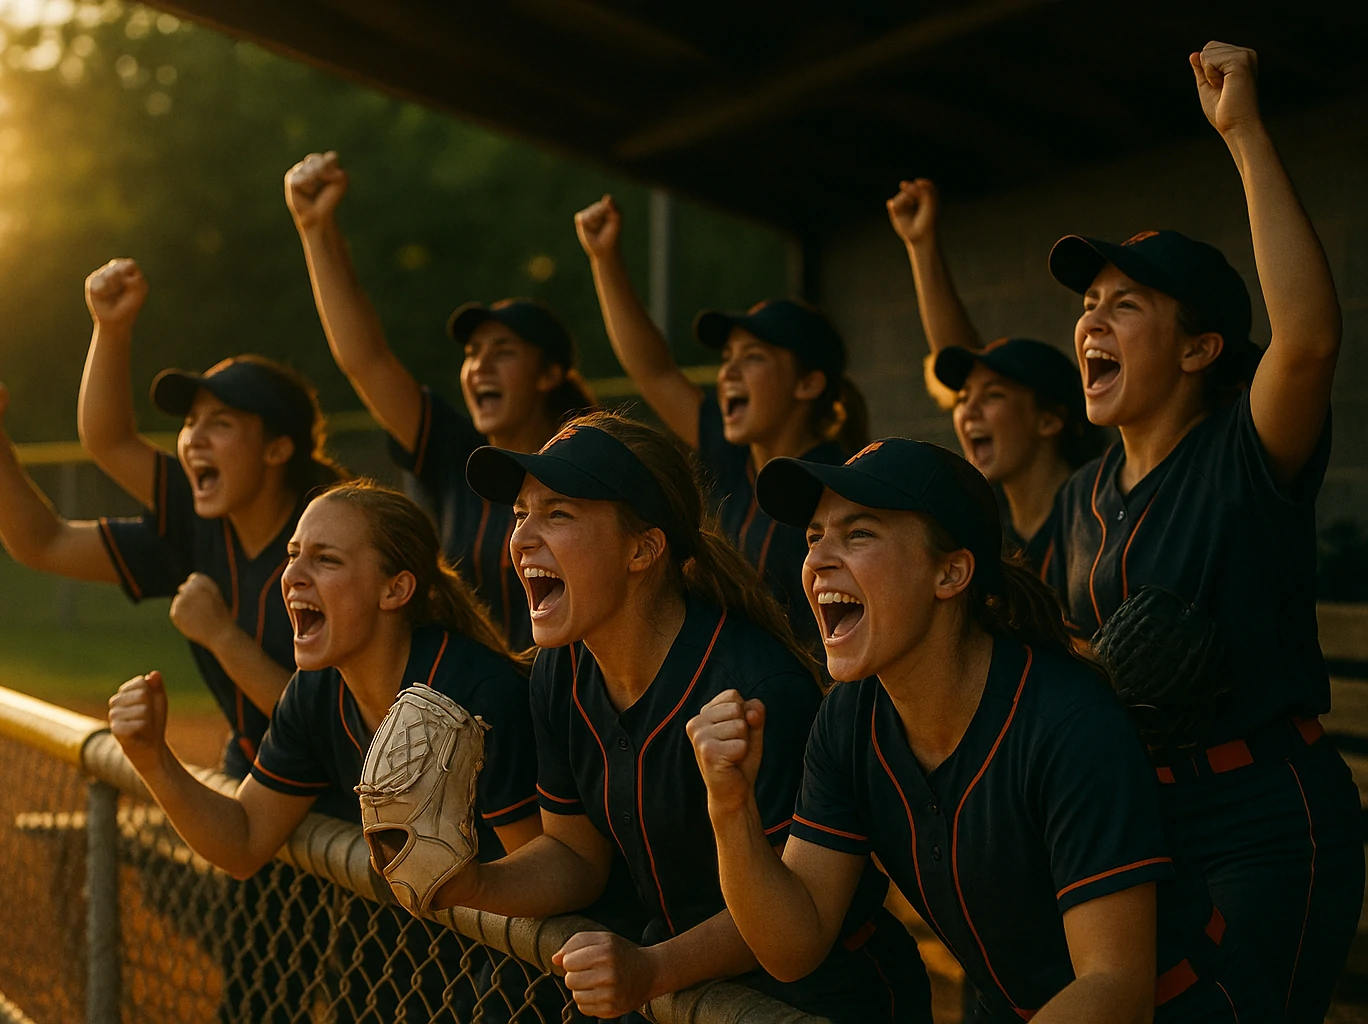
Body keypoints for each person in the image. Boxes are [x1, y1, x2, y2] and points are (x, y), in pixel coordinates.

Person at [692, 438, 1255, 1023]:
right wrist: (730, 810)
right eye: (814, 536)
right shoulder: (847, 720)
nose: (817, 561)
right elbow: (793, 944)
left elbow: (1115, 985)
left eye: (859, 534)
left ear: (951, 571)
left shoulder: (1069, 722)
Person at [1043, 42, 1363, 1023]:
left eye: (1125, 304)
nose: (1092, 319)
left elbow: (1306, 338)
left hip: (1264, 817)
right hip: (1142, 817)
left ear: (1199, 348)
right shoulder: (1081, 495)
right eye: (1087, 304)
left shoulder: (1240, 450)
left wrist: (1245, 134)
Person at [434, 412, 929, 1022]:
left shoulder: (754, 687)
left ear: (643, 548)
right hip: (680, 987)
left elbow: (787, 916)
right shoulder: (559, 670)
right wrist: (467, 883)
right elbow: (575, 854)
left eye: (558, 513)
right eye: (520, 514)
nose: (523, 538)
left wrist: (653, 969)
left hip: (820, 997)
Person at [107, 479, 542, 1019]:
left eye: (326, 559)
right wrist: (153, 758)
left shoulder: (477, 693)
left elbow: (544, 876)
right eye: (293, 555)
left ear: (395, 590)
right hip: (393, 957)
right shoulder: (318, 690)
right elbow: (244, 839)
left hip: (505, 972)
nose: (292, 575)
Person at [0, 259, 345, 779]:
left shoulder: (333, 540)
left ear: (277, 449)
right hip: (254, 779)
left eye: (220, 423)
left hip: (346, 800)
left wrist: (222, 636)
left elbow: (328, 727)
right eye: (191, 422)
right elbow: (43, 541)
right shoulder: (198, 526)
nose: (195, 437)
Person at [286, 151, 595, 651]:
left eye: (504, 351)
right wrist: (315, 229)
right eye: (472, 353)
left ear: (550, 374)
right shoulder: (458, 452)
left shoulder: (588, 469)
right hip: (470, 705)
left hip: (565, 707)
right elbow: (366, 360)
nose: (482, 366)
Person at [575, 196, 868, 652]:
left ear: (808, 383)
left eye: (753, 357)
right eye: (727, 357)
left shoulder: (840, 484)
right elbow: (654, 371)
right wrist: (604, 258)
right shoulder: (732, 457)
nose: (729, 372)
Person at [886, 179, 1101, 575]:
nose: (968, 410)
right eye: (964, 398)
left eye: (994, 396)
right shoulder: (988, 524)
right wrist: (920, 246)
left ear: (1049, 420)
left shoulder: (1098, 509)